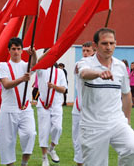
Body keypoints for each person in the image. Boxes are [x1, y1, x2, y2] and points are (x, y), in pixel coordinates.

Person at [78, 28, 134, 166]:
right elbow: (84, 74)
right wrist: (98, 73)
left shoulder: (120, 66)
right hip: (93, 125)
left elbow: (126, 94)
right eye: (104, 43)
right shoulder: (84, 63)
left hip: (117, 122)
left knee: (132, 148)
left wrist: (127, 120)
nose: (108, 47)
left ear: (115, 44)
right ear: (95, 45)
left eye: (111, 43)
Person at [0, 37, 37, 166]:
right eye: (13, 49)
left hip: (25, 109)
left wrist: (34, 53)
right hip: (9, 109)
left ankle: (24, 163)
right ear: (9, 50)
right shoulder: (3, 65)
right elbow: (6, 84)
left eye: (19, 49)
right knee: (7, 142)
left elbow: (34, 65)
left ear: (22, 50)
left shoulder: (25, 65)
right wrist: (22, 79)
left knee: (30, 134)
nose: (16, 51)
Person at [36, 58, 67, 166]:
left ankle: (51, 148)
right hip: (44, 106)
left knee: (58, 128)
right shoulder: (41, 70)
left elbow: (63, 89)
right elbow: (34, 63)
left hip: (56, 105)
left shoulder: (60, 72)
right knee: (44, 132)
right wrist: (41, 55)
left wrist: (54, 86)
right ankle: (44, 158)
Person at [72, 41, 95, 166]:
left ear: (94, 51)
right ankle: (79, 163)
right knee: (77, 139)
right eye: (83, 51)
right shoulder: (79, 63)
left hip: (92, 108)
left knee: (92, 139)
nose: (85, 53)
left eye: (88, 51)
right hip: (79, 107)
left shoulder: (98, 65)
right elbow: (81, 70)